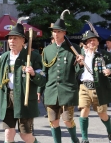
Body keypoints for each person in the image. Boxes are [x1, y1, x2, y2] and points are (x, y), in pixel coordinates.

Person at [0, 20, 46, 143]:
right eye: (10, 38)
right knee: (8, 134)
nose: (11, 41)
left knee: (25, 136)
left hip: (24, 100)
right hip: (6, 98)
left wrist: (33, 74)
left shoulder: (33, 57)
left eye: (15, 38)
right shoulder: (3, 58)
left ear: (23, 40)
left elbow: (43, 81)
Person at [38, 10, 81, 143]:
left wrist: (80, 62)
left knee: (67, 120)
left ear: (64, 33)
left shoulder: (73, 49)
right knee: (53, 121)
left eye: (59, 31)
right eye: (54, 31)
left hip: (67, 90)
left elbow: (77, 70)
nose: (56, 34)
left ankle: (75, 140)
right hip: (51, 91)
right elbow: (43, 72)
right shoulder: (47, 50)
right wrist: (39, 90)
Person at [77, 22, 111, 143]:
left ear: (98, 42)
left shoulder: (103, 55)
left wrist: (109, 71)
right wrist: (78, 63)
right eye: (89, 41)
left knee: (102, 114)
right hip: (84, 86)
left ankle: (110, 130)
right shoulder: (80, 55)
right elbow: (75, 71)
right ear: (85, 43)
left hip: (98, 88)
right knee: (84, 110)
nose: (92, 42)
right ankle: (84, 138)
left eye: (94, 40)